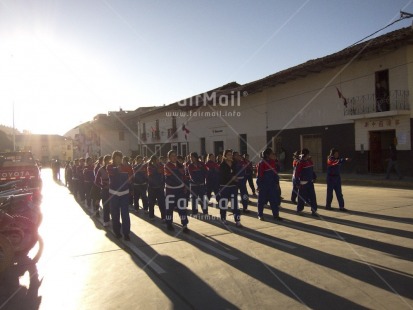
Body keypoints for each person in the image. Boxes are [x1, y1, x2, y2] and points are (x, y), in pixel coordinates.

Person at [107, 150, 133, 240]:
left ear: (122, 159)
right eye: (116, 158)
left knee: (125, 214)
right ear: (113, 159)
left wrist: (130, 179)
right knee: (115, 214)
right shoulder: (109, 167)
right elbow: (112, 172)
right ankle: (117, 232)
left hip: (124, 194)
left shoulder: (126, 167)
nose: (118, 160)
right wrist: (117, 169)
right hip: (114, 194)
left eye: (119, 158)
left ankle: (126, 233)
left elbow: (131, 176)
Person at [164, 150, 189, 232]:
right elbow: (171, 178)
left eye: (175, 155)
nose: (174, 157)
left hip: (180, 190)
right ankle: (169, 224)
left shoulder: (180, 165)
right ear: (169, 158)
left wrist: (185, 186)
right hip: (170, 190)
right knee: (169, 208)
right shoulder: (167, 166)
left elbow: (184, 177)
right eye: (172, 156)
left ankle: (184, 225)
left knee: (182, 208)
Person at [256, 148, 282, 221]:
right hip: (264, 185)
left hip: (272, 185)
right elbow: (259, 175)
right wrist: (259, 185)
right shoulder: (262, 163)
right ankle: (260, 215)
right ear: (267, 155)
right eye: (272, 154)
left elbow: (276, 173)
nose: (273, 155)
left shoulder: (273, 162)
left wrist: (277, 183)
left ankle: (276, 215)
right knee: (261, 201)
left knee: (274, 200)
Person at [218, 149, 242, 227]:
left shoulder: (234, 164)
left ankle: (237, 220)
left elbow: (237, 173)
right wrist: (232, 177)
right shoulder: (222, 165)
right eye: (228, 154)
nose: (230, 156)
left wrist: (236, 178)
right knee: (224, 204)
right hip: (224, 187)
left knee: (235, 204)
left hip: (233, 187)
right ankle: (223, 219)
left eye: (231, 154)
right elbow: (223, 176)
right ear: (225, 156)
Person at [294, 148, 318, 216]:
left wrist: (314, 177)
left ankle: (314, 210)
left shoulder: (309, 161)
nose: (308, 156)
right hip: (303, 183)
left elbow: (312, 170)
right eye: (307, 154)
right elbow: (297, 173)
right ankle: (299, 210)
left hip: (310, 182)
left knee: (312, 197)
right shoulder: (300, 162)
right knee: (301, 198)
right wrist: (297, 183)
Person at [147, 155, 166, 221]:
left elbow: (163, 175)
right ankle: (151, 216)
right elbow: (150, 177)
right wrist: (156, 171)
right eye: (157, 160)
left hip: (160, 188)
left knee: (162, 203)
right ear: (153, 161)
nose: (158, 161)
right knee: (151, 203)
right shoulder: (150, 167)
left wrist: (163, 184)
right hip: (152, 188)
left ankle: (163, 217)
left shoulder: (161, 166)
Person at [95, 155, 111, 226]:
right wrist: (102, 186)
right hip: (105, 190)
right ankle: (106, 220)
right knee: (106, 206)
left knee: (114, 206)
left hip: (114, 190)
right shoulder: (100, 170)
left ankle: (114, 219)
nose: (109, 162)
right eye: (107, 160)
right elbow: (96, 181)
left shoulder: (114, 168)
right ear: (104, 161)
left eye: (110, 160)